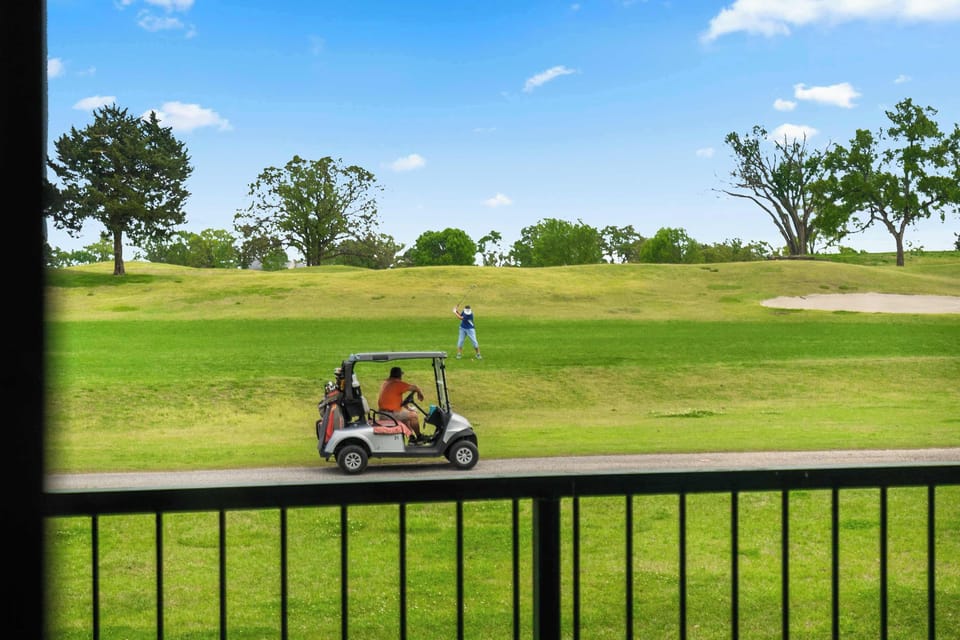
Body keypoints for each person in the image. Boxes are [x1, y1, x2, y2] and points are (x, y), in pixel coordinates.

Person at [377, 366, 426, 441]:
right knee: (414, 416)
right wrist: (420, 393)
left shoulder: (387, 383)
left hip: (383, 413)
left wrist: (408, 407)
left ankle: (411, 438)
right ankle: (419, 437)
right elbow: (415, 387)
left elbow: (396, 400)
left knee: (406, 415)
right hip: (389, 415)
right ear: (399, 375)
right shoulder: (397, 384)